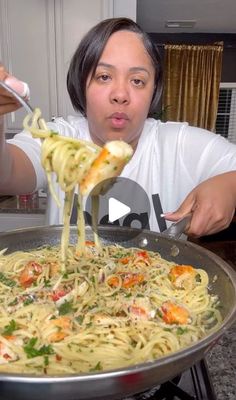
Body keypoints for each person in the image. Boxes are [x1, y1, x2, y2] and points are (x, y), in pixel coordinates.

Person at [0, 17, 236, 237]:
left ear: (154, 90)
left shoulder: (179, 144)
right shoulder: (58, 138)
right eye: (104, 76)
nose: (121, 95)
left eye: (137, 81)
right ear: (82, 84)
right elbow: (6, 174)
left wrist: (229, 185)